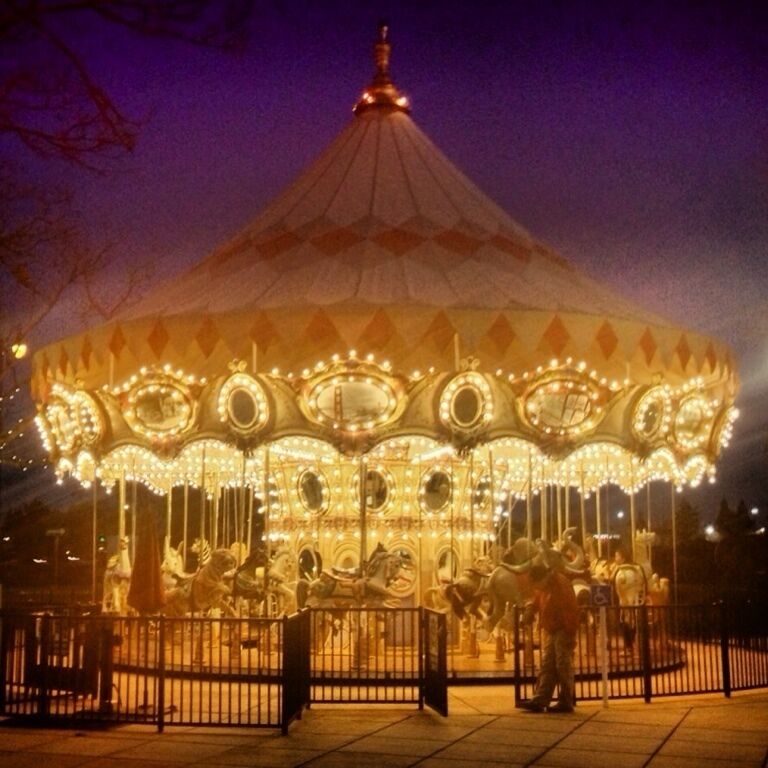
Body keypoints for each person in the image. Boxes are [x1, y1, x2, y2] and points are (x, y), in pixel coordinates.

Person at [519, 564, 580, 713]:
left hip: (563, 628)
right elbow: (537, 598)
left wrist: (567, 630)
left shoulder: (560, 584)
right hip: (553, 628)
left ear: (542, 578)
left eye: (536, 583)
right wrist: (531, 609)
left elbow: (566, 608)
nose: (536, 587)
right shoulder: (548, 585)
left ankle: (566, 700)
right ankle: (541, 698)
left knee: (562, 664)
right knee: (548, 664)